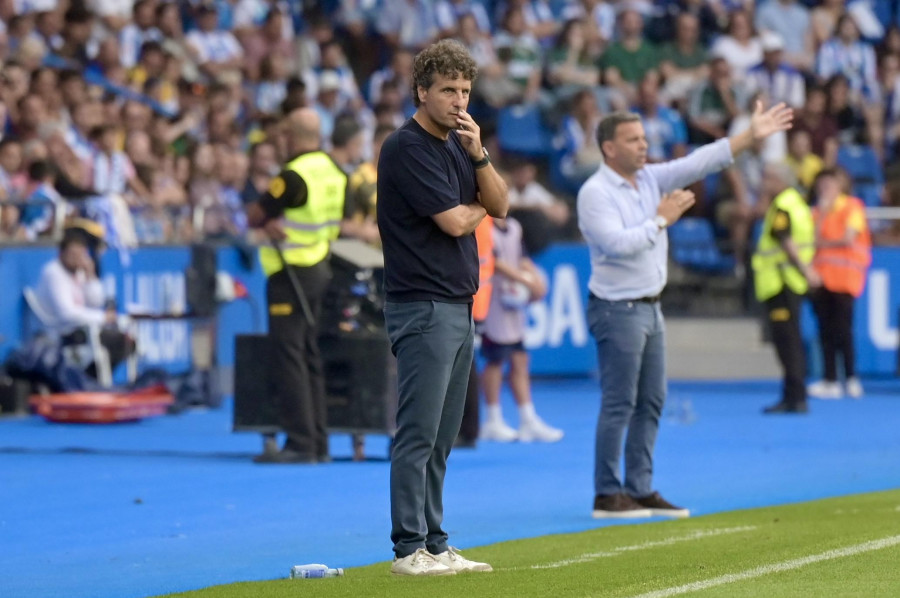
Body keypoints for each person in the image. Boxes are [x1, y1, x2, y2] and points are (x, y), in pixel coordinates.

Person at [578, 102, 793, 518]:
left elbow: (700, 161)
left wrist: (750, 135)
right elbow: (617, 245)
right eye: (633, 140)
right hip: (616, 308)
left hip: (650, 307)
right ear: (608, 148)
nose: (644, 146)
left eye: (643, 138)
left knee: (652, 400)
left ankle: (639, 488)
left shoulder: (649, 178)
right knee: (619, 403)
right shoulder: (595, 193)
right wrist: (661, 220)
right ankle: (607, 495)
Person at [377, 39, 507, 576]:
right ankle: (409, 548)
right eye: (448, 90)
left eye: (466, 91)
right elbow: (455, 222)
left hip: (456, 303)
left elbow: (499, 204)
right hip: (422, 304)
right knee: (419, 433)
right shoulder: (406, 147)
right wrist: (475, 204)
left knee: (443, 436)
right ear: (422, 90)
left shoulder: (459, 144)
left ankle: (435, 541)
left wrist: (478, 154)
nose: (459, 101)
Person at [245, 108, 348, 464]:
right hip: (319, 266)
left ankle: (300, 443)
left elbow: (257, 214)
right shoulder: (335, 172)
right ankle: (319, 442)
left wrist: (266, 218)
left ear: (292, 134)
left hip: (290, 272)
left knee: (289, 356)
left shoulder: (292, 175)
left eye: (284, 133)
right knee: (308, 354)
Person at [478, 216, 563, 443]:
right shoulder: (483, 227)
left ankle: (528, 418)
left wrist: (536, 280)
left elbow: (522, 258)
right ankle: (492, 419)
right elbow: (493, 262)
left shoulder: (515, 227)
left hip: (513, 307)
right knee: (494, 361)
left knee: (519, 359)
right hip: (491, 302)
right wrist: (524, 281)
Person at [752, 163, 819, 414]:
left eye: (768, 178)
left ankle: (795, 396)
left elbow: (785, 240)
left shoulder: (782, 206)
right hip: (790, 283)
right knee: (791, 340)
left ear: (779, 180)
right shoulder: (798, 203)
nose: (764, 182)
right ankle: (794, 394)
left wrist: (806, 270)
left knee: (786, 343)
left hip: (781, 282)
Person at [34, 224, 134, 379]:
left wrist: (91, 276)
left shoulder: (78, 272)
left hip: (83, 329)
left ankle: (93, 379)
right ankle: (90, 380)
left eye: (80, 255)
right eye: (73, 255)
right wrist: (102, 318)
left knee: (127, 341)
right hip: (62, 333)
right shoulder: (53, 273)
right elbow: (66, 314)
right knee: (117, 341)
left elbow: (96, 302)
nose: (77, 260)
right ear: (62, 253)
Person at [806, 168, 872, 400]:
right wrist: (822, 215)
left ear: (839, 186)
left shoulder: (852, 206)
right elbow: (810, 241)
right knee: (824, 331)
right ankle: (830, 379)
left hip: (845, 280)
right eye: (821, 186)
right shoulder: (816, 212)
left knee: (844, 331)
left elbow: (849, 237)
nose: (825, 190)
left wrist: (823, 241)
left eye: (829, 185)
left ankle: (852, 378)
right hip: (822, 280)